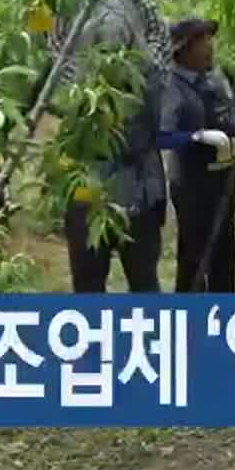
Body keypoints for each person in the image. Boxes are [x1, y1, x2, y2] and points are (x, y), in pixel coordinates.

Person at [155, 17, 235, 293]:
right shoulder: (172, 87)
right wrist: (195, 137)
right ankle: (190, 313)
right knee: (194, 254)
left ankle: (225, 311)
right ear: (183, 52)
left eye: (210, 40)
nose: (210, 48)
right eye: (202, 43)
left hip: (224, 179)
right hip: (192, 184)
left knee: (225, 250)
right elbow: (161, 137)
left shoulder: (216, 77)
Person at [62, 50, 169, 293]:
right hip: (87, 197)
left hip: (137, 196)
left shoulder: (147, 71)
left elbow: (144, 133)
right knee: (89, 284)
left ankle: (150, 331)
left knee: (144, 282)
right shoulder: (75, 69)